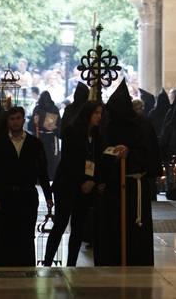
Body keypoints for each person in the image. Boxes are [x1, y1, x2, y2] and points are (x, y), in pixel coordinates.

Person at [0, 105, 53, 266]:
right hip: (5, 197)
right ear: (7, 122)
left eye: (18, 118)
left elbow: (43, 172)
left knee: (26, 235)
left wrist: (48, 196)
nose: (16, 122)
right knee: (5, 234)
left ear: (23, 120)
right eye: (12, 119)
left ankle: (25, 267)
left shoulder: (34, 143)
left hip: (27, 196)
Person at [95, 79, 156, 266]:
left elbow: (151, 155)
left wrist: (130, 153)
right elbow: (99, 153)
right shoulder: (107, 126)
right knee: (113, 225)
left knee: (135, 227)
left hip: (135, 185)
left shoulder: (143, 125)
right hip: (114, 186)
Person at [44, 100, 103, 266]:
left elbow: (98, 159)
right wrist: (83, 181)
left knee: (78, 228)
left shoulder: (97, 135)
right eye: (96, 113)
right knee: (60, 225)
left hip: (86, 187)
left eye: (100, 113)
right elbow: (70, 161)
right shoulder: (73, 131)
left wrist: (92, 180)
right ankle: (48, 262)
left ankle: (71, 265)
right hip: (68, 185)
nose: (99, 117)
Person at [32, 90, 61, 180]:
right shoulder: (37, 108)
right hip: (40, 136)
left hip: (50, 137)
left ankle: (50, 176)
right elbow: (32, 124)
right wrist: (35, 122)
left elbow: (52, 125)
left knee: (50, 157)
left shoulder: (53, 109)